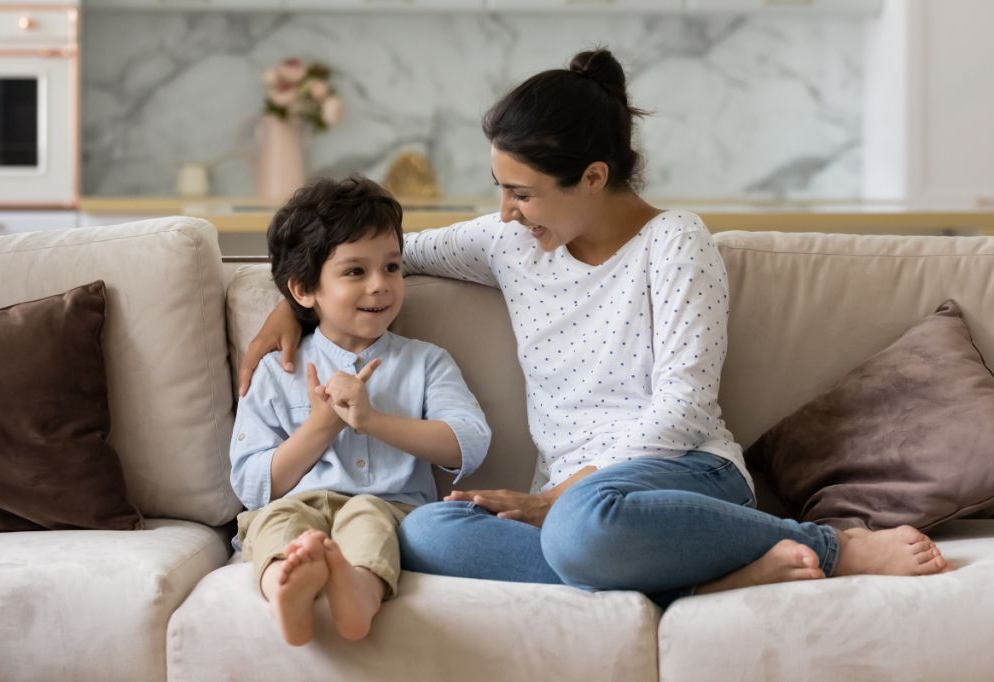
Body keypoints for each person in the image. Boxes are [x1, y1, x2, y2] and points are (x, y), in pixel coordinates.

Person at [238, 49, 950, 610]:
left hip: (680, 477)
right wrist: (289, 305)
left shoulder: (675, 244)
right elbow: (378, 256)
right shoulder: (508, 242)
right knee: (423, 531)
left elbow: (683, 410)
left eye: (521, 192)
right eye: (500, 190)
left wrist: (559, 496)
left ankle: (829, 548)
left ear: (592, 177)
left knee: (586, 527)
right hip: (574, 504)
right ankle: (701, 585)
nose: (507, 212)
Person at [230, 175, 491, 646]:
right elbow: (252, 486)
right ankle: (285, 589)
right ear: (305, 290)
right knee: (274, 524)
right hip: (295, 504)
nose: (380, 285)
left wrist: (372, 422)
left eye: (392, 267)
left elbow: (468, 443)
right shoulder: (276, 372)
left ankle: (357, 596)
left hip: (390, 508)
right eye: (355, 272)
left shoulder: (425, 361)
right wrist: (320, 427)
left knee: (368, 518)